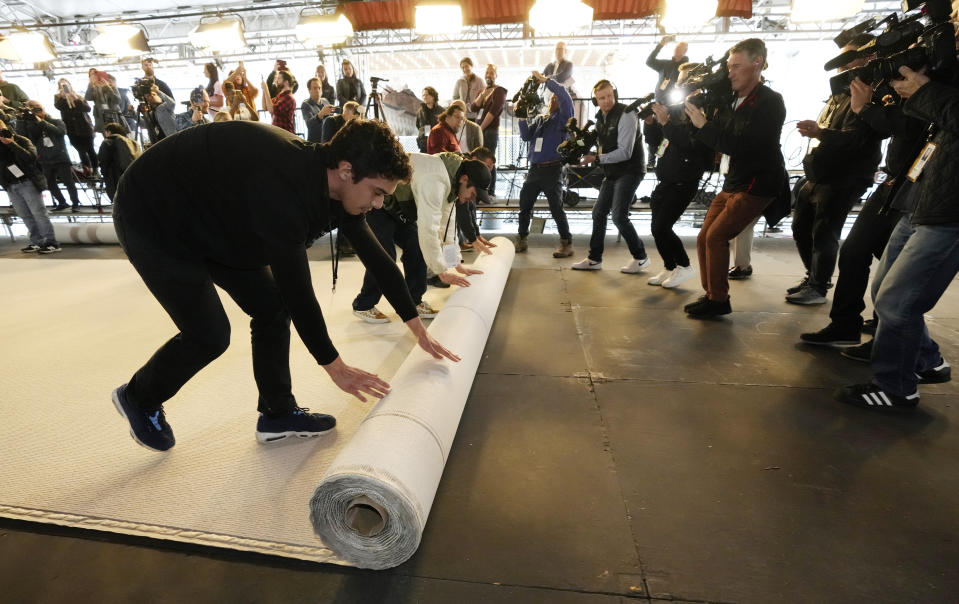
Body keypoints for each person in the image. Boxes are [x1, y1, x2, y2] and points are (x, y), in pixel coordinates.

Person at [110, 118, 460, 452]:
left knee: (271, 308)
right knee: (209, 334)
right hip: (152, 214)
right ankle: (138, 396)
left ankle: (277, 414)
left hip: (216, 218)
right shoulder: (283, 188)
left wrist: (417, 327)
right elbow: (299, 290)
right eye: (378, 192)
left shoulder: (337, 189)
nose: (380, 203)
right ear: (346, 171)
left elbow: (379, 258)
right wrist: (335, 367)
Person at [835, 66, 958, 411]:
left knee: (897, 302)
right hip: (921, 197)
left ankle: (896, 389)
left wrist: (925, 90)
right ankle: (927, 360)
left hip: (948, 210)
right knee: (884, 291)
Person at [682, 38, 787, 318]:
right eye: (729, 66)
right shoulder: (729, 100)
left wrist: (704, 125)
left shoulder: (770, 102)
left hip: (758, 182)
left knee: (717, 236)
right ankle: (713, 296)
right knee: (705, 236)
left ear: (757, 63)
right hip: (735, 180)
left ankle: (718, 300)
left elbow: (742, 145)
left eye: (737, 66)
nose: (730, 72)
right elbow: (713, 140)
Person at [788, 35, 883, 305]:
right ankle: (815, 277)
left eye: (848, 58)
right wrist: (818, 132)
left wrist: (820, 132)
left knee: (825, 231)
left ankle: (818, 287)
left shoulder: (867, 95)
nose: (842, 65)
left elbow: (853, 139)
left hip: (847, 176)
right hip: (821, 171)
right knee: (800, 226)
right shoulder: (837, 95)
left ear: (867, 58)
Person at [646, 69, 715, 289]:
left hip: (683, 181)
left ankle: (684, 266)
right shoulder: (677, 111)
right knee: (656, 227)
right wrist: (651, 123)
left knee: (662, 227)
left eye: (685, 80)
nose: (681, 84)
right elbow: (657, 140)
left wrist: (666, 123)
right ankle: (670, 266)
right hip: (666, 179)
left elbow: (689, 143)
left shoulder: (701, 112)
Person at [571, 79, 648, 273]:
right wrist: (577, 149)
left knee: (618, 216)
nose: (607, 101)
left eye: (610, 96)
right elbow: (596, 143)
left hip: (630, 170)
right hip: (612, 172)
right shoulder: (600, 118)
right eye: (602, 98)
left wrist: (595, 159)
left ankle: (641, 258)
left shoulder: (627, 114)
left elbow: (625, 152)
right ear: (595, 100)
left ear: (615, 94)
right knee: (598, 213)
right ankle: (594, 259)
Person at [515, 71, 574, 258]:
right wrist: (522, 118)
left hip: (552, 168)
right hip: (535, 169)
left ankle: (566, 243)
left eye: (556, 97)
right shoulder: (542, 120)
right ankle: (522, 238)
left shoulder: (564, 119)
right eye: (552, 97)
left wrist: (547, 81)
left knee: (556, 208)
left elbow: (565, 97)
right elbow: (526, 136)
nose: (554, 99)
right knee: (525, 204)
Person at [0, 118, 61, 253]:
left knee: (38, 213)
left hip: (27, 182)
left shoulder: (21, 140)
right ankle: (37, 241)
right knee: (24, 214)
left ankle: (51, 242)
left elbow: (31, 158)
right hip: (11, 185)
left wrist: (12, 144)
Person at [17, 100, 82, 212]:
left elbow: (60, 132)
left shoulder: (56, 121)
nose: (37, 112)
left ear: (44, 109)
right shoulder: (32, 126)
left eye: (39, 109)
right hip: (45, 159)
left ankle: (75, 203)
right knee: (50, 184)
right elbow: (24, 136)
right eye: (34, 110)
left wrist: (41, 121)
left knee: (68, 182)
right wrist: (21, 120)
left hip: (60, 157)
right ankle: (62, 202)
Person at [470, 64, 507, 196]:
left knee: (489, 161)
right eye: (487, 73)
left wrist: (480, 128)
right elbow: (473, 108)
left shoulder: (499, 91)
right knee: (479, 160)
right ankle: (481, 189)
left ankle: (491, 192)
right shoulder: (481, 91)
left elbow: (494, 111)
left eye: (492, 73)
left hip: (490, 131)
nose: (489, 75)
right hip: (480, 130)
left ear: (496, 75)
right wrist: (482, 96)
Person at [53, 78, 98, 177]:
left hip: (85, 127)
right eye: (61, 85)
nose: (64, 87)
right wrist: (62, 98)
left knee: (90, 150)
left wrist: (75, 99)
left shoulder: (78, 96)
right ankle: (87, 170)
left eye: (65, 85)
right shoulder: (58, 98)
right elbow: (58, 107)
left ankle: (95, 169)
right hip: (71, 129)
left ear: (70, 85)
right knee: (80, 151)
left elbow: (87, 108)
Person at [97, 122, 140, 202]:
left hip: (116, 179)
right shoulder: (132, 142)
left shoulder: (107, 142)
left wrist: (104, 173)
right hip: (133, 178)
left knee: (121, 204)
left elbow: (103, 161)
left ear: (109, 132)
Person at [85, 69, 127, 135]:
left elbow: (117, 100)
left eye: (95, 74)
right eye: (91, 75)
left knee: (119, 136)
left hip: (114, 116)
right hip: (102, 117)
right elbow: (88, 98)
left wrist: (106, 87)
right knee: (107, 138)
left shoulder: (111, 86)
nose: (93, 76)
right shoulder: (93, 89)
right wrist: (90, 84)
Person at [263, 69, 297, 134]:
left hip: (285, 134)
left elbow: (272, 110)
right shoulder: (280, 96)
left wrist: (266, 89)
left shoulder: (289, 98)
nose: (277, 80)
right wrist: (264, 90)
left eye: (279, 78)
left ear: (286, 82)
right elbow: (265, 107)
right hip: (279, 133)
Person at [302, 77, 335, 143]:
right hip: (315, 142)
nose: (317, 90)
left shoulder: (325, 101)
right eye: (314, 88)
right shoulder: (306, 104)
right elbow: (309, 124)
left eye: (319, 88)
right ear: (309, 90)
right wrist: (321, 114)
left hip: (328, 139)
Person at [416, 86, 444, 153]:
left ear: (433, 96)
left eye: (426, 95)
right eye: (423, 95)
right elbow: (418, 125)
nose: (424, 97)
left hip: (437, 145)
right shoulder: (420, 112)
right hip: (424, 145)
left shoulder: (441, 111)